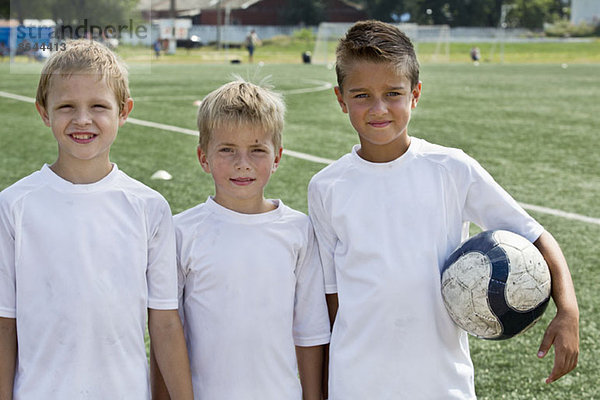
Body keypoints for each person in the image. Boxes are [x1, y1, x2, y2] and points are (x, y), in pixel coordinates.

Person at [308, 20, 579, 399]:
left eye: (393, 93)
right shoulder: (326, 187)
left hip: (441, 381)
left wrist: (568, 311)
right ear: (341, 99)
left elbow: (534, 236)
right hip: (357, 382)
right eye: (362, 95)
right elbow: (330, 298)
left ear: (415, 94)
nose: (379, 108)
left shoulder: (452, 169)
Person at [0, 39, 193, 399]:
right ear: (44, 111)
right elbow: (4, 325)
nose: (82, 119)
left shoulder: (149, 207)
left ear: (124, 110)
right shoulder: (14, 206)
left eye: (99, 106)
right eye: (67, 106)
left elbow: (165, 323)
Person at [152, 79, 330, 400]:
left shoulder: (298, 231)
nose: (243, 163)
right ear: (203, 157)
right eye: (227, 149)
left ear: (277, 157)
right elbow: (166, 332)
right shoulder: (180, 232)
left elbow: (310, 331)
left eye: (257, 150)